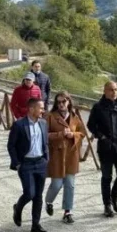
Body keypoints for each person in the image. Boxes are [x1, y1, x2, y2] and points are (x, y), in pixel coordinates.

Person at [87, 81, 117, 217]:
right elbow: (91, 125)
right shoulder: (98, 107)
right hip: (106, 147)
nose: (114, 92)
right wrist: (101, 136)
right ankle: (107, 205)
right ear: (105, 91)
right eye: (111, 90)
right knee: (107, 177)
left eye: (116, 89)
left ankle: (114, 197)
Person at [8, 98, 49, 232]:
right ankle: (18, 208)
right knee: (29, 193)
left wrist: (46, 158)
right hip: (26, 164)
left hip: (40, 163)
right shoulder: (19, 125)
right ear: (31, 109)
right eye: (41, 108)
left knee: (38, 196)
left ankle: (35, 224)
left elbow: (45, 142)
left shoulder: (43, 123)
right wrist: (17, 163)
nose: (43, 111)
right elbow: (11, 145)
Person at [44, 92, 85, 224]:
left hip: (71, 155)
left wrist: (73, 135)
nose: (61, 104)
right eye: (58, 102)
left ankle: (68, 211)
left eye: (63, 101)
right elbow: (44, 135)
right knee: (56, 184)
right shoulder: (50, 116)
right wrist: (60, 135)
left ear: (68, 102)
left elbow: (83, 133)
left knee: (70, 185)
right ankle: (48, 201)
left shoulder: (75, 117)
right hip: (56, 154)